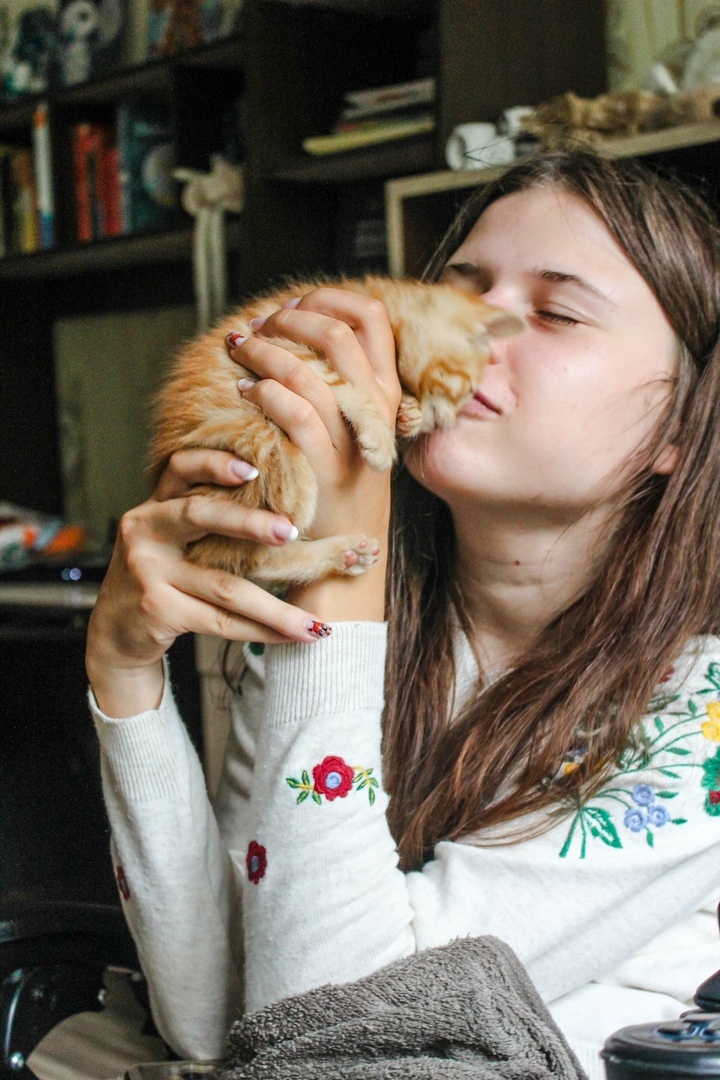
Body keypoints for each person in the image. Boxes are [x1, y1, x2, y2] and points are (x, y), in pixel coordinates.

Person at [85, 150, 720, 1079]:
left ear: (679, 428)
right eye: (454, 293)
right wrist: (125, 679)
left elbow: (336, 1038)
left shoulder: (702, 717)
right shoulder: (354, 635)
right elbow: (212, 1017)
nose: (471, 332)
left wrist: (345, 553)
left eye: (556, 313)